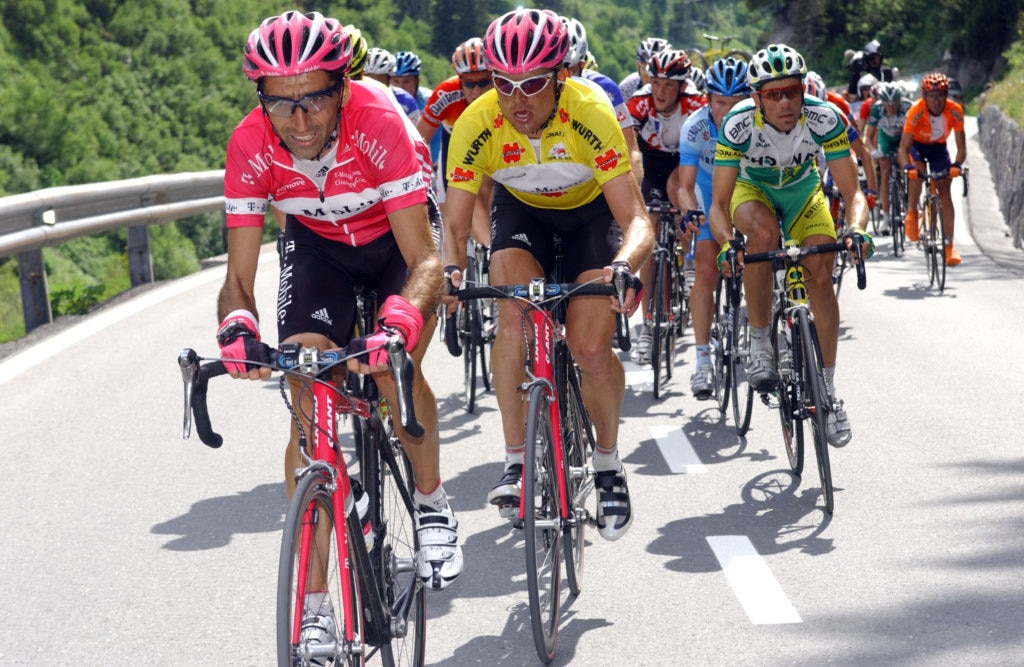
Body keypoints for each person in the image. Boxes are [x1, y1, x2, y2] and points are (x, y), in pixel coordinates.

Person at [220, 12, 463, 618]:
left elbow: (426, 262)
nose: (299, 122)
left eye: (315, 100)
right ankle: (316, 607)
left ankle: (432, 503)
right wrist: (237, 328)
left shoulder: (379, 123)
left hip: (394, 244)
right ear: (261, 99)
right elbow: (238, 281)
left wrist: (401, 321)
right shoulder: (250, 144)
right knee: (307, 391)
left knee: (390, 369)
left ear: (343, 87)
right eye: (281, 104)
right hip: (319, 244)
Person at [442, 8, 653, 540]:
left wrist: (625, 264)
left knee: (588, 349)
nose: (518, 99)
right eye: (503, 83)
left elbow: (635, 220)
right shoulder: (477, 121)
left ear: (561, 76)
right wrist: (447, 273)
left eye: (533, 83)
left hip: (590, 217)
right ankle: (516, 461)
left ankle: (607, 463)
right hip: (523, 214)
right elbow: (454, 223)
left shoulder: (591, 110)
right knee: (511, 308)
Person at [708, 44, 873, 448]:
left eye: (792, 92)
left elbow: (853, 194)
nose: (784, 102)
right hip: (753, 191)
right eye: (773, 94)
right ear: (756, 97)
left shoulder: (824, 117)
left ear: (804, 91)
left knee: (821, 272)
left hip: (803, 193)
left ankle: (829, 392)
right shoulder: (737, 124)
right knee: (762, 237)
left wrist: (856, 230)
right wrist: (729, 243)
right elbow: (716, 204)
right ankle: (760, 339)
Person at [673, 58, 752, 399]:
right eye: (721, 103)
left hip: (750, 193)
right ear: (708, 100)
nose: (728, 111)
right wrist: (691, 212)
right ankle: (702, 359)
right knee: (705, 269)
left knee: (765, 259)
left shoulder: (759, 125)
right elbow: (684, 185)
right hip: (709, 196)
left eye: (737, 104)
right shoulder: (695, 127)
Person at [625, 49, 706, 364]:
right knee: (651, 229)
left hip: (683, 161)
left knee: (677, 192)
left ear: (682, 87)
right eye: (656, 82)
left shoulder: (696, 104)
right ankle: (648, 327)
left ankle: (688, 260)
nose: (660, 91)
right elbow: (627, 148)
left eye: (669, 85)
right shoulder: (639, 104)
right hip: (651, 162)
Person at [898, 72, 966, 265]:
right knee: (917, 174)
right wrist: (908, 167)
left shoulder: (955, 111)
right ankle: (912, 213)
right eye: (931, 96)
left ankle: (949, 246)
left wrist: (957, 165)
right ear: (924, 96)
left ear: (947, 95)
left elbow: (961, 148)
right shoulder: (915, 111)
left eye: (941, 95)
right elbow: (903, 148)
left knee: (944, 191)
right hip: (917, 146)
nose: (936, 101)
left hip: (938, 148)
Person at [864, 82, 911, 233]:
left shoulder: (907, 107)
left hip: (904, 136)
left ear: (900, 101)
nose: (890, 108)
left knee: (908, 168)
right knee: (885, 172)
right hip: (886, 138)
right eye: (887, 105)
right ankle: (885, 217)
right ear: (882, 103)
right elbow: (868, 137)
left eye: (894, 104)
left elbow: (913, 132)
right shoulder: (877, 109)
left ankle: (911, 205)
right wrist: (873, 151)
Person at [619, 36, 672, 101]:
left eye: (658, 71)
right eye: (646, 69)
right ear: (638, 67)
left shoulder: (682, 89)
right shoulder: (627, 88)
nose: (651, 77)